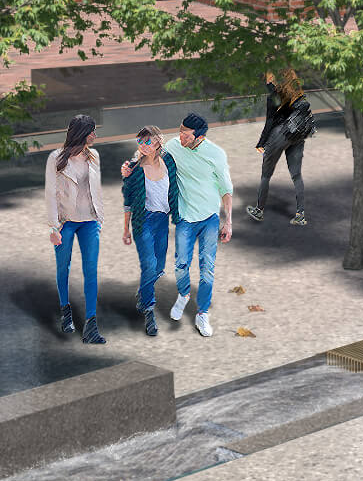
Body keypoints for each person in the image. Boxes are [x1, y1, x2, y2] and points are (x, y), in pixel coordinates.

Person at [123, 113, 232, 338]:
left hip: (208, 218)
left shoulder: (215, 154)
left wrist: (228, 221)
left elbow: (225, 188)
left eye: (186, 133)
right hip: (177, 219)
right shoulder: (173, 147)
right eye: (180, 130)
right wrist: (129, 168)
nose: (180, 135)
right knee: (178, 265)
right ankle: (176, 298)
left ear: (198, 136)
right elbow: (144, 156)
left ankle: (202, 313)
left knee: (206, 268)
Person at [44, 114, 105, 344]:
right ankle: (65, 310)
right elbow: (50, 193)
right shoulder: (56, 158)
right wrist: (53, 226)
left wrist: (100, 219)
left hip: (89, 221)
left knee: (91, 271)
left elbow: (96, 190)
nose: (95, 136)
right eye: (92, 132)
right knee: (63, 268)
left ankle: (91, 326)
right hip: (66, 222)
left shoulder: (94, 156)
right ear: (82, 133)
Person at [119, 125, 180, 337]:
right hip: (142, 221)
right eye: (140, 141)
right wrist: (126, 229)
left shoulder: (169, 162)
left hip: (162, 220)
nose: (143, 146)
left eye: (147, 141)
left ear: (157, 142)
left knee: (159, 267)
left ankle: (143, 292)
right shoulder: (133, 169)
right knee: (149, 264)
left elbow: (175, 188)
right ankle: (149, 311)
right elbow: (127, 201)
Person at [248, 69, 311, 226]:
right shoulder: (297, 94)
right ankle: (300, 214)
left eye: (268, 79)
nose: (266, 82)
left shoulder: (275, 96)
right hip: (297, 134)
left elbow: (270, 121)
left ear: (274, 80)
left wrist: (261, 142)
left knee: (266, 175)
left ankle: (259, 210)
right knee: (296, 175)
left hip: (279, 134)